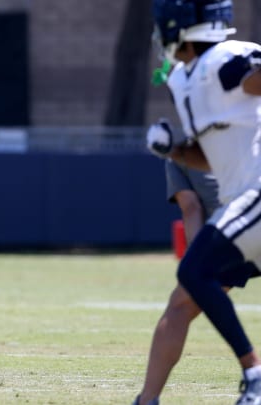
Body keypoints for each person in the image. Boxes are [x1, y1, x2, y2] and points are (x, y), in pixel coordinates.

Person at [144, 0, 261, 403]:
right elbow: (208, 159)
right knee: (190, 285)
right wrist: (174, 150)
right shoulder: (185, 80)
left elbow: (253, 80)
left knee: (194, 272)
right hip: (242, 208)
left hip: (256, 196)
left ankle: (254, 374)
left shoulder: (227, 59)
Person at [134, 160, 220, 405]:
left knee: (180, 308)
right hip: (242, 229)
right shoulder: (247, 128)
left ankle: (147, 399)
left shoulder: (177, 148)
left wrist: (196, 265)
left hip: (229, 234)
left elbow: (191, 208)